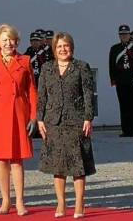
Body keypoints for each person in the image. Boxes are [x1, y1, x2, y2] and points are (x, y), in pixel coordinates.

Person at [0, 24, 38, 216]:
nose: (8, 43)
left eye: (11, 39)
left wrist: (34, 116)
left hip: (18, 113)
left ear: (17, 41)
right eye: (4, 40)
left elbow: (32, 91)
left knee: (17, 160)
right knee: (1, 160)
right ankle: (5, 200)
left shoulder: (25, 60)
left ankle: (20, 201)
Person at [37, 32, 96, 219]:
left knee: (78, 166)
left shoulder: (81, 67)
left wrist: (88, 118)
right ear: (54, 49)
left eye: (66, 46)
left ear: (72, 47)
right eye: (59, 46)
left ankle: (80, 203)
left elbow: (88, 94)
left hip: (76, 122)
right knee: (58, 166)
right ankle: (61, 203)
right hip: (53, 122)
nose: (63, 49)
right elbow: (42, 96)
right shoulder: (46, 68)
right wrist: (40, 119)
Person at [109, 24, 133, 137]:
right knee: (124, 105)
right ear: (119, 36)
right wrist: (113, 79)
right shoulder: (115, 48)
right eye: (121, 34)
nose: (124, 36)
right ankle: (126, 130)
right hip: (121, 81)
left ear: (129, 34)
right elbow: (111, 65)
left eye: (125, 34)